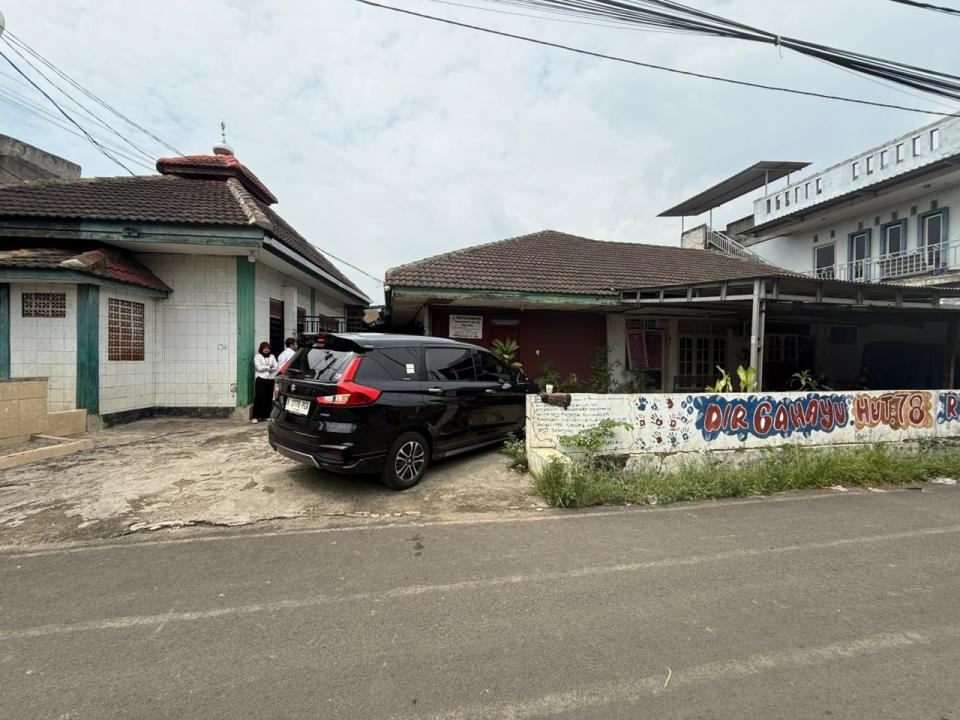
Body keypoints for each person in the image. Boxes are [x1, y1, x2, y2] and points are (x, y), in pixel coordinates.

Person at [252, 341, 278, 423]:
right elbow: (258, 368)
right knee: (259, 397)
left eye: (268, 348)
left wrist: (266, 367)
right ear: (261, 348)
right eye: (264, 348)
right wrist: (269, 367)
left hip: (270, 379)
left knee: (268, 397)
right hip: (261, 379)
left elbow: (276, 367)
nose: (266, 350)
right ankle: (255, 417)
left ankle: (266, 415)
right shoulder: (257, 356)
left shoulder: (272, 356)